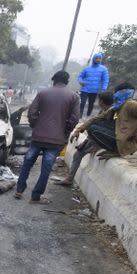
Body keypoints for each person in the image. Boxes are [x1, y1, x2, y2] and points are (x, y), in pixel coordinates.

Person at [14, 70, 79, 203]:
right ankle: (35, 196)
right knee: (46, 169)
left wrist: (36, 126)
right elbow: (74, 119)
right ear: (67, 82)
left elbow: (32, 113)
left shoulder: (43, 93)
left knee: (27, 163)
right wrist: (64, 131)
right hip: (56, 140)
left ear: (53, 80)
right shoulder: (73, 97)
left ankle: (19, 190)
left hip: (38, 137)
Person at [56, 91, 114, 185]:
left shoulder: (111, 112)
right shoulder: (106, 110)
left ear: (101, 102)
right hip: (98, 139)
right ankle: (69, 178)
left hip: (103, 140)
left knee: (78, 154)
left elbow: (95, 124)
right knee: (78, 153)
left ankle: (69, 179)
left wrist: (80, 132)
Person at [77, 53, 109, 117]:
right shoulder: (87, 68)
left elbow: (105, 79)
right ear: (93, 59)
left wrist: (104, 88)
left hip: (94, 90)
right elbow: (80, 76)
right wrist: (81, 81)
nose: (98, 60)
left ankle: (88, 116)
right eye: (96, 58)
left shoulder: (103, 69)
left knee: (91, 104)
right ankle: (79, 116)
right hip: (85, 89)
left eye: (99, 58)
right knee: (82, 102)